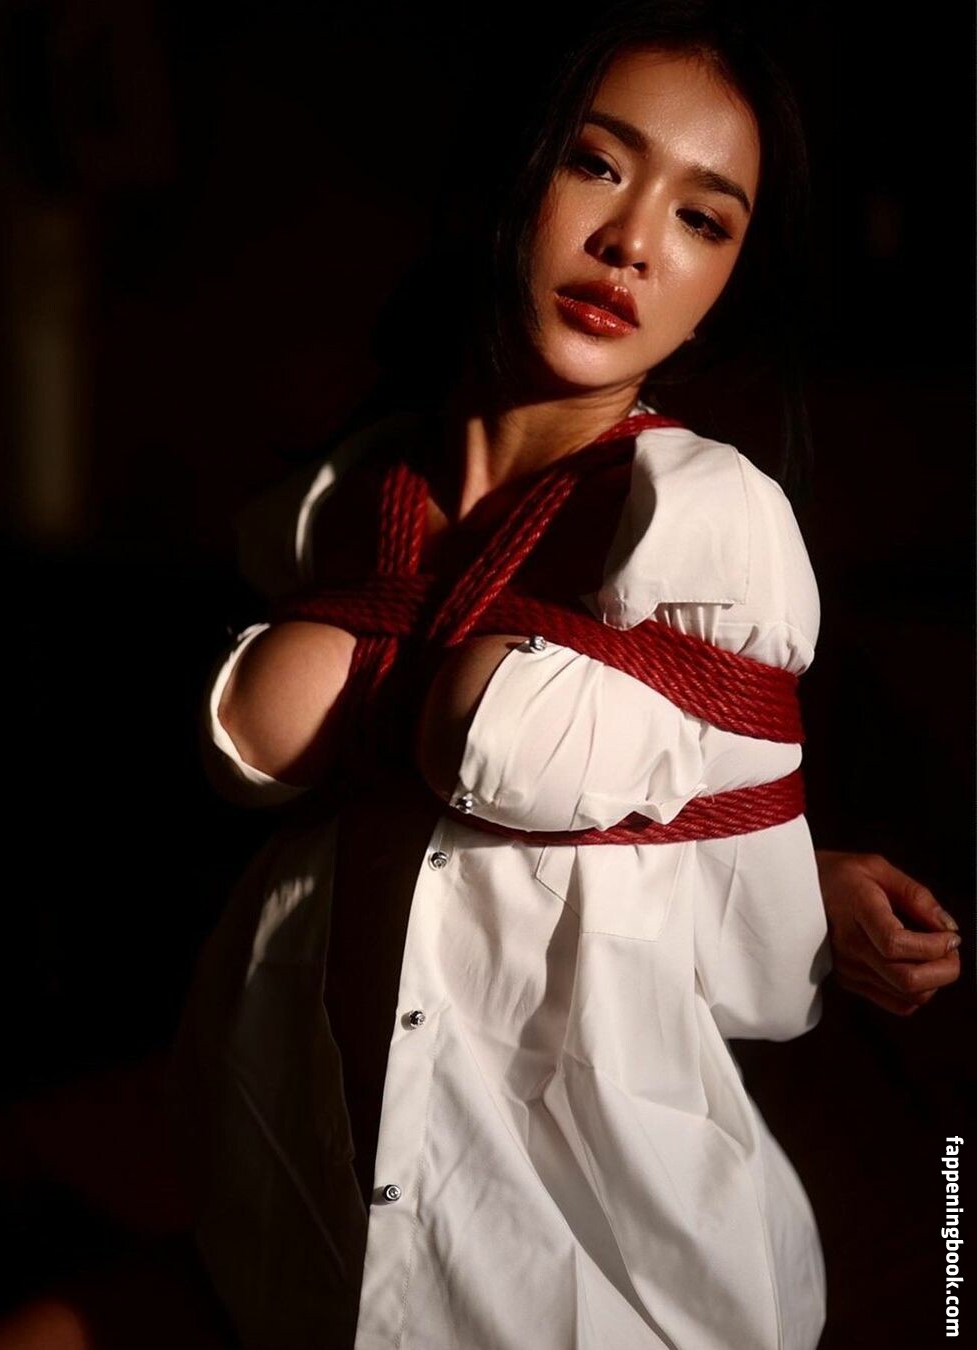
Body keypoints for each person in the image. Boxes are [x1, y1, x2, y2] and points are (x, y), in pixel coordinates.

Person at [174, 6, 962, 1349]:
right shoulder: (354, 492)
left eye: (703, 219)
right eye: (597, 163)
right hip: (297, 1217)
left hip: (571, 1270)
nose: (633, 242)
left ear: (727, 281)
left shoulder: (704, 520)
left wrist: (800, 884)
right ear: (510, 169)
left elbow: (756, 946)